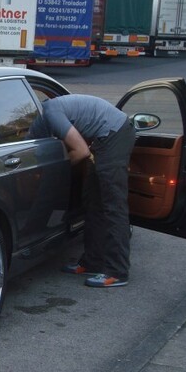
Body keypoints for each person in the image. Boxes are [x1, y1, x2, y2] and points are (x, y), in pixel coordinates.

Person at [40, 93, 136, 288]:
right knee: (92, 201)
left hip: (114, 135)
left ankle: (117, 271)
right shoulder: (47, 115)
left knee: (112, 205)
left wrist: (59, 171)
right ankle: (92, 261)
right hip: (102, 140)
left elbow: (82, 151)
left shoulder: (51, 113)